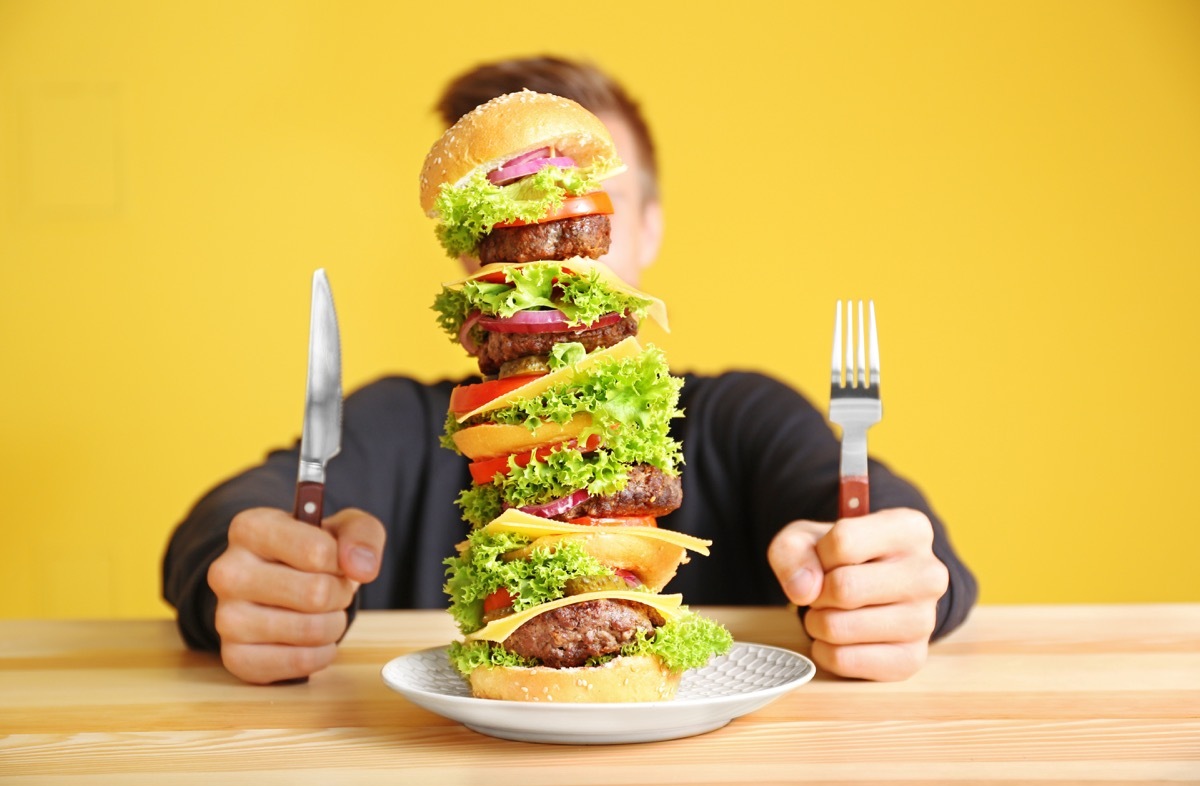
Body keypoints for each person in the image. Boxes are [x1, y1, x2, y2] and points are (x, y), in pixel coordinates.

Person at [163, 56, 977, 686]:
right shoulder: (403, 425)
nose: (549, 246)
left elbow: (901, 535)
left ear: (647, 228)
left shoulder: (735, 416)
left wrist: (894, 580)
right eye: (511, 216)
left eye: (580, 209)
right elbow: (230, 518)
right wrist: (241, 583)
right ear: (471, 253)